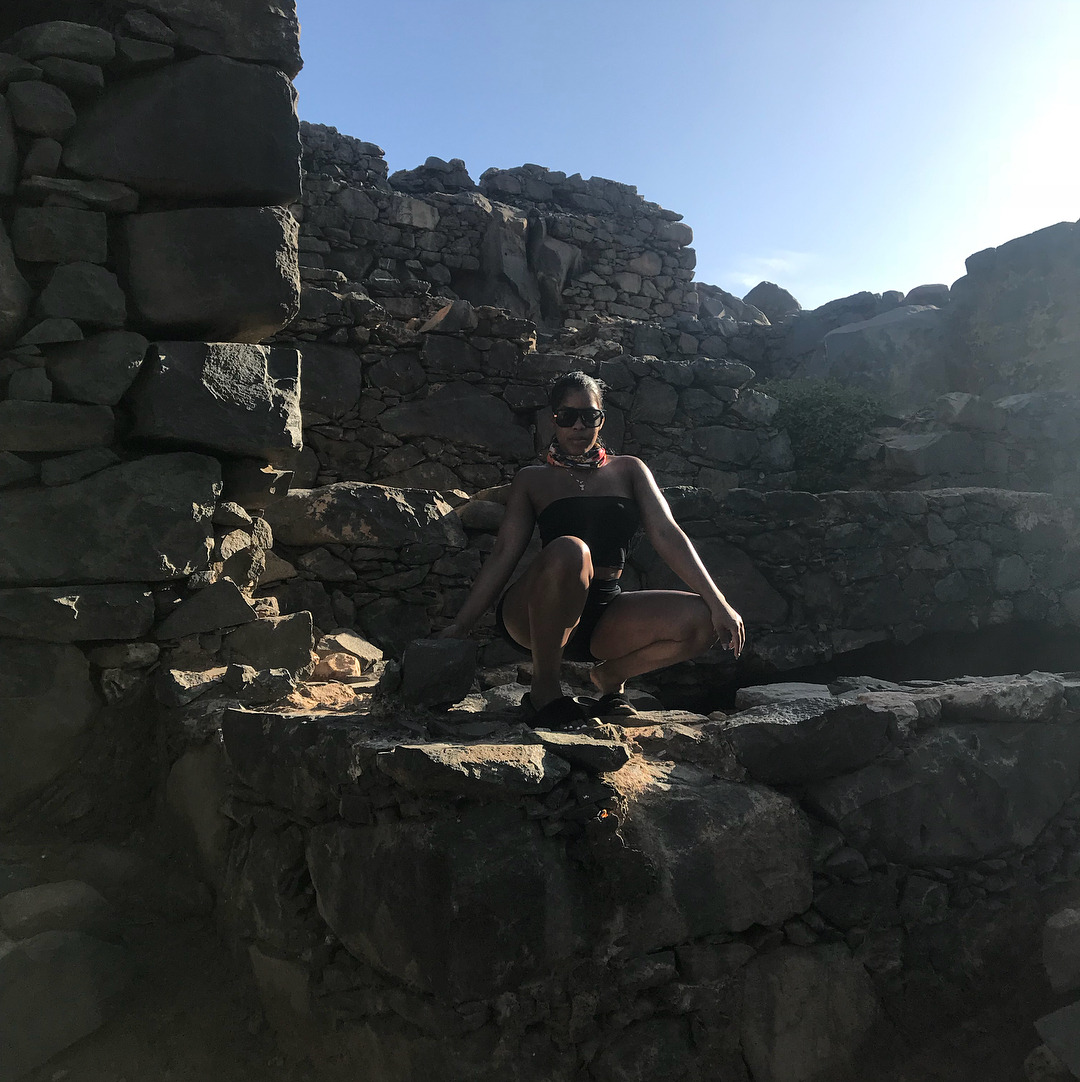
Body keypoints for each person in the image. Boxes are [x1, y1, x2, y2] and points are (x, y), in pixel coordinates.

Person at [438, 371, 745, 727]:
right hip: (538, 613)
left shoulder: (629, 469)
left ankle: (611, 677)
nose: (578, 426)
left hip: (604, 613)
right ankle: (544, 690)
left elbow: (667, 533)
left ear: (602, 419)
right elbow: (505, 551)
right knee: (571, 549)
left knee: (704, 619)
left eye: (589, 416)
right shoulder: (532, 479)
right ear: (553, 420)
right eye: (568, 416)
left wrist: (719, 602)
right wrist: (462, 625)